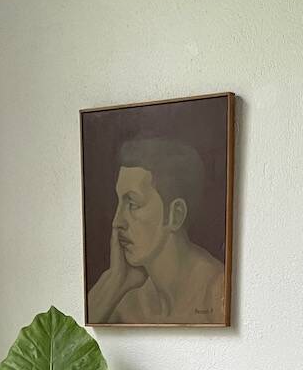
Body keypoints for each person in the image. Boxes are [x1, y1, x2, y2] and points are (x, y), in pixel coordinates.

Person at [87, 137, 225, 325]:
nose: (117, 222)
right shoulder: (126, 299)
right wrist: (114, 280)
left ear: (175, 215)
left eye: (133, 204)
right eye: (119, 203)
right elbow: (77, 338)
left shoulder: (217, 293)